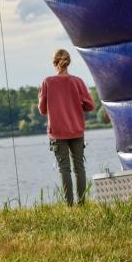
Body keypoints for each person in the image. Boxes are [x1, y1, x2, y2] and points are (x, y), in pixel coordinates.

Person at [38, 49, 95, 206]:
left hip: (57, 132)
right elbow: (90, 105)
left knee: (64, 169)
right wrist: (76, 105)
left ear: (54, 63)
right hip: (76, 130)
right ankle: (81, 204)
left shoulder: (47, 82)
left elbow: (42, 110)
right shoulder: (78, 81)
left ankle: (69, 206)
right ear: (68, 62)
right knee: (79, 167)